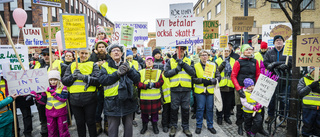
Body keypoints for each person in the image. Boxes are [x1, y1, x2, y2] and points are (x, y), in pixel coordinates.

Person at [99, 44, 140, 137]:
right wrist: (117, 74)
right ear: (110, 54)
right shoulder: (105, 66)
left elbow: (137, 78)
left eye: (118, 50)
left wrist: (129, 70)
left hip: (128, 101)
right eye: (113, 51)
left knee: (128, 129)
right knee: (112, 130)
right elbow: (102, 80)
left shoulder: (128, 64)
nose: (116, 52)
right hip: (112, 102)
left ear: (122, 53)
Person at [62, 49, 100, 137]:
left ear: (89, 54)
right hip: (75, 101)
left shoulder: (93, 65)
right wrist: (72, 76)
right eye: (82, 53)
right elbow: (64, 81)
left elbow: (98, 81)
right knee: (79, 123)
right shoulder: (71, 65)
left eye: (86, 53)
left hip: (90, 100)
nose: (83, 55)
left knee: (91, 122)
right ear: (78, 54)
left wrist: (84, 77)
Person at [164, 46, 195, 137]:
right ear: (176, 50)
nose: (180, 51)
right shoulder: (170, 61)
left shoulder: (189, 61)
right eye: (178, 49)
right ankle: (173, 126)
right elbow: (166, 74)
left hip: (186, 89)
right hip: (175, 89)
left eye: (182, 50)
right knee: (174, 109)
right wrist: (176, 69)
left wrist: (184, 64)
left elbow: (192, 73)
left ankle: (185, 127)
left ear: (184, 51)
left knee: (185, 110)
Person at [231, 44, 260, 136]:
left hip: (252, 88)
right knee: (240, 107)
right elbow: (233, 76)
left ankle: (253, 126)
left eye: (250, 49)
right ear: (243, 51)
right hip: (240, 88)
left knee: (254, 105)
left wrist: (258, 87)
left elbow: (257, 74)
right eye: (246, 50)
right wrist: (239, 89)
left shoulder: (255, 61)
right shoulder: (238, 62)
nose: (249, 51)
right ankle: (240, 124)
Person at [31, 70, 70, 137]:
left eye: (55, 80)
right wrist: (37, 97)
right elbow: (43, 101)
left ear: (58, 80)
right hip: (50, 112)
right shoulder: (46, 88)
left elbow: (64, 98)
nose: (53, 82)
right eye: (51, 80)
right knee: (51, 130)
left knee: (62, 129)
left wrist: (54, 94)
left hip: (61, 112)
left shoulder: (63, 87)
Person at [263, 35, 292, 127]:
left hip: (284, 80)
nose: (279, 42)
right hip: (272, 79)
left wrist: (276, 64)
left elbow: (290, 62)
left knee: (284, 100)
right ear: (274, 42)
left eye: (280, 40)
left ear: (283, 42)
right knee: (271, 99)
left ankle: (283, 117)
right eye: (277, 40)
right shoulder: (269, 52)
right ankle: (270, 115)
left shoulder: (288, 52)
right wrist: (276, 64)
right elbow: (266, 63)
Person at [192, 50, 221, 134]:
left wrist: (214, 80)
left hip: (210, 90)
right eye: (202, 55)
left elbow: (218, 76)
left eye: (206, 55)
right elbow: (193, 78)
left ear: (208, 56)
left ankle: (210, 126)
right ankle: (199, 125)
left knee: (210, 109)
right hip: (200, 90)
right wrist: (201, 80)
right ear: (199, 56)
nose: (204, 56)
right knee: (200, 108)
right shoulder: (196, 65)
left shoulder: (213, 65)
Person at [136, 56, 164, 134]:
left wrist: (154, 85)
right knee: (144, 113)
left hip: (155, 97)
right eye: (147, 60)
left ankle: (154, 125)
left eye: (150, 61)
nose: (149, 62)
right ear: (145, 62)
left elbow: (161, 82)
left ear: (153, 62)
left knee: (155, 113)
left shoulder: (158, 71)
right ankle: (144, 126)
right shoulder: (141, 72)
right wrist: (145, 86)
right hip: (144, 98)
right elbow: (137, 83)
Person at [88, 40, 109, 135]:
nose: (101, 48)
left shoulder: (109, 57)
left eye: (103, 47)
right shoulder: (92, 57)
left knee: (107, 107)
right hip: (97, 87)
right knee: (97, 108)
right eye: (99, 47)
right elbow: (89, 67)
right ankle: (98, 125)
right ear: (96, 49)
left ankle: (107, 125)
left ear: (105, 48)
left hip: (108, 87)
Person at [215, 48, 236, 125]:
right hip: (221, 86)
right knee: (220, 103)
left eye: (227, 51)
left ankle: (227, 117)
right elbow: (215, 72)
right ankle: (219, 117)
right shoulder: (217, 60)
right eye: (225, 51)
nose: (226, 52)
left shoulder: (233, 61)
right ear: (221, 52)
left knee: (228, 103)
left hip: (230, 86)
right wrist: (222, 65)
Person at [297, 68, 320, 137]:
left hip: (319, 108)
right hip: (308, 107)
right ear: (311, 70)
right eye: (316, 69)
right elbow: (300, 92)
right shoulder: (304, 79)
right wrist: (310, 87)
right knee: (307, 126)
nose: (318, 71)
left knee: (318, 128)